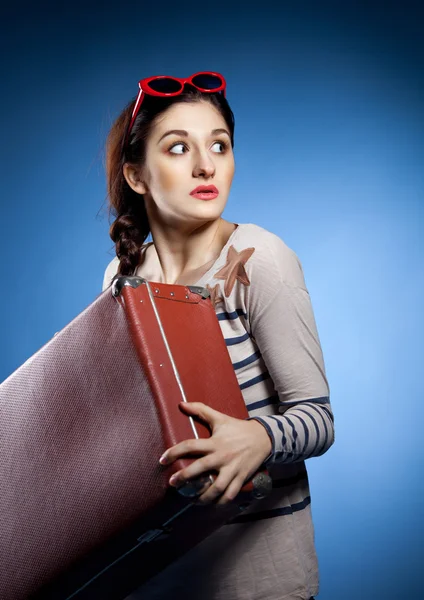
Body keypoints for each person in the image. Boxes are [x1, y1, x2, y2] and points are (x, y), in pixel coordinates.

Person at [102, 71, 334, 600]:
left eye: (219, 145)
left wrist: (258, 437)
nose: (206, 165)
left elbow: (319, 420)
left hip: (261, 583)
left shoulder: (259, 258)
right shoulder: (123, 277)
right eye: (178, 147)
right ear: (137, 175)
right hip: (156, 576)